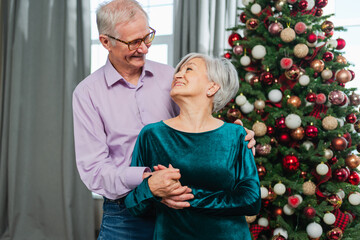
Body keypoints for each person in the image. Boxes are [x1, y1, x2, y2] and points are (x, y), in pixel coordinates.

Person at [72, 0, 256, 239]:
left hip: (181, 210)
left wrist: (233, 137)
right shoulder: (87, 94)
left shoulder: (169, 76)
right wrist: (148, 181)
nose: (144, 49)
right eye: (133, 42)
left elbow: (196, 122)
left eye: (147, 37)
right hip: (126, 213)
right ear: (106, 42)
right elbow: (95, 171)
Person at [125, 53, 261, 240]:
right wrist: (152, 188)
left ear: (212, 87)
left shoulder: (236, 135)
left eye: (188, 69)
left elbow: (251, 200)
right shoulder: (151, 135)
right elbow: (133, 204)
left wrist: (183, 194)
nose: (178, 75)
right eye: (178, 70)